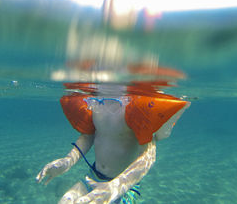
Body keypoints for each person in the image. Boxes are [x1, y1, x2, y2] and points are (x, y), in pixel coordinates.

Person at [36, 84, 190, 204]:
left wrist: (114, 188)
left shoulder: (136, 107)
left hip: (123, 187)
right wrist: (66, 162)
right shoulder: (96, 103)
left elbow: (149, 156)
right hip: (92, 177)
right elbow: (88, 136)